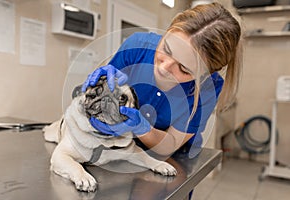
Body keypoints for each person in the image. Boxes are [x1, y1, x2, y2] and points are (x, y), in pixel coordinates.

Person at [82, 3, 242, 198]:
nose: (165, 68)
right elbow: (103, 94)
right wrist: (98, 88)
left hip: (173, 160)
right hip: (120, 150)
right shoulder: (137, 46)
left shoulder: (209, 87)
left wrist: (141, 127)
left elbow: (170, 145)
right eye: (166, 48)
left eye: (183, 69)